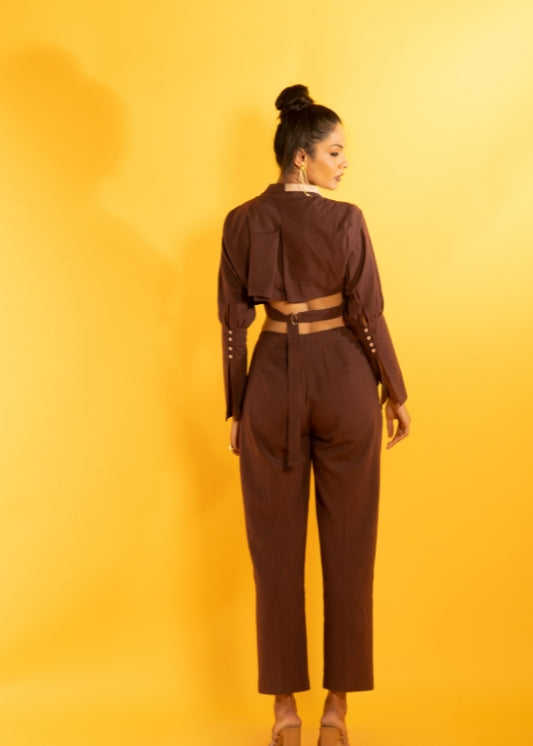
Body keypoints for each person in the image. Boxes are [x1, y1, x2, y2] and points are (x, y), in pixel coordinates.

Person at [217, 84, 411, 746]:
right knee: (350, 544)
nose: (344, 162)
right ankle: (337, 710)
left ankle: (283, 713)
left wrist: (237, 404)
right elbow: (367, 312)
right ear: (300, 157)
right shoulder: (346, 220)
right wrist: (395, 389)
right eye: (334, 151)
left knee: (272, 550)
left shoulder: (240, 221)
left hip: (271, 378)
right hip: (344, 380)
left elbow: (233, 324)